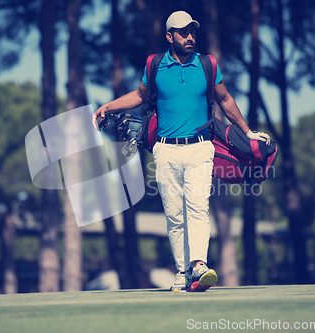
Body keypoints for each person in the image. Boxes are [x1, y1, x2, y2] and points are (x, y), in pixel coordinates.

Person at [92, 11, 270, 292]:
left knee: (198, 207)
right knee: (175, 215)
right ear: (169, 36)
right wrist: (108, 106)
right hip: (165, 151)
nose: (190, 37)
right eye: (183, 32)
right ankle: (182, 271)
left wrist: (247, 133)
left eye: (192, 32)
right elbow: (139, 96)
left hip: (200, 148)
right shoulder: (154, 65)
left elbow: (224, 99)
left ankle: (199, 265)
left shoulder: (207, 65)